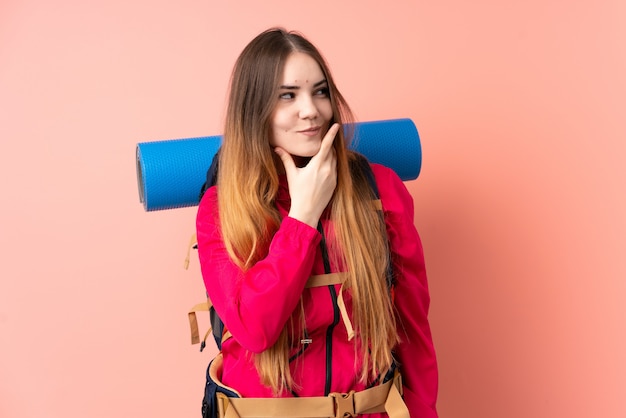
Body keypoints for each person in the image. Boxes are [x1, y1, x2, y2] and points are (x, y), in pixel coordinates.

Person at [195, 27, 438, 418]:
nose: (311, 110)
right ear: (254, 109)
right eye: (287, 95)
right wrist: (302, 218)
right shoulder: (220, 209)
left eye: (320, 91)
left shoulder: (382, 192)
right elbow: (255, 328)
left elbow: (413, 333)